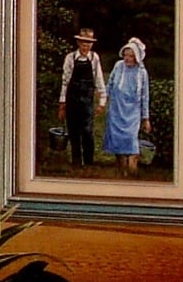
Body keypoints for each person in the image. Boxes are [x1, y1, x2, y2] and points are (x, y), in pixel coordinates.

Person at [56, 27, 105, 170]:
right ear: (78, 43)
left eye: (89, 43)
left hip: (87, 100)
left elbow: (99, 79)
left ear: (92, 44)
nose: (86, 46)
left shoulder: (94, 58)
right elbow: (65, 81)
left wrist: (102, 102)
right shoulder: (70, 58)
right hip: (72, 98)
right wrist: (62, 104)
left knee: (87, 131)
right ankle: (76, 161)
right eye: (83, 43)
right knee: (73, 131)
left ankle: (89, 162)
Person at [104, 37, 152, 176]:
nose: (127, 59)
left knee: (131, 139)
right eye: (125, 55)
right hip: (116, 109)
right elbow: (110, 83)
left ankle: (132, 170)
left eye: (131, 56)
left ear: (137, 57)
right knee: (117, 139)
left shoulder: (142, 72)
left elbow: (145, 96)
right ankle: (122, 170)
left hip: (132, 112)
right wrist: (103, 99)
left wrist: (145, 118)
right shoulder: (118, 66)